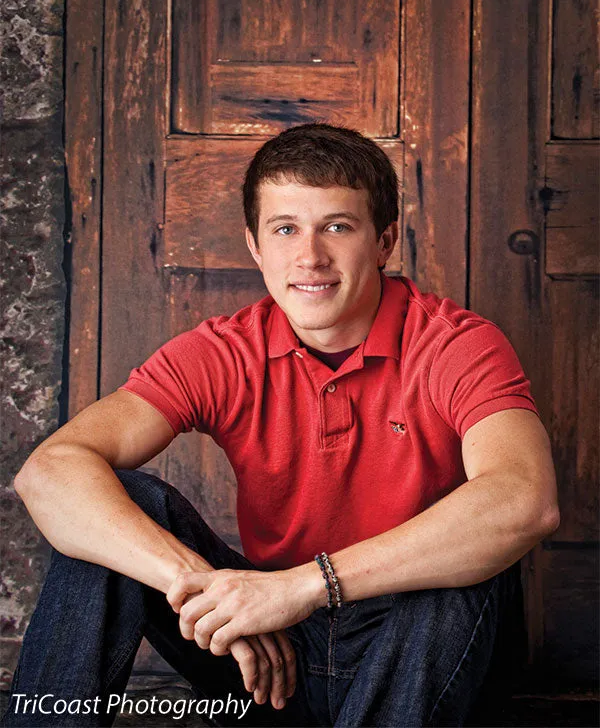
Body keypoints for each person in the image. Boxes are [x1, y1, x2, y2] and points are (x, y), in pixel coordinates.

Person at [3, 123, 560, 728]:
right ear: (255, 247)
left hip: (419, 654)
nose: (310, 257)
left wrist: (302, 586)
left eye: (338, 227)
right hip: (272, 664)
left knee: (467, 557)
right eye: (286, 229)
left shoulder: (456, 344)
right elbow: (49, 474)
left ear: (385, 240)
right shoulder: (224, 351)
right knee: (112, 510)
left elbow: (523, 499)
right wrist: (208, 589)